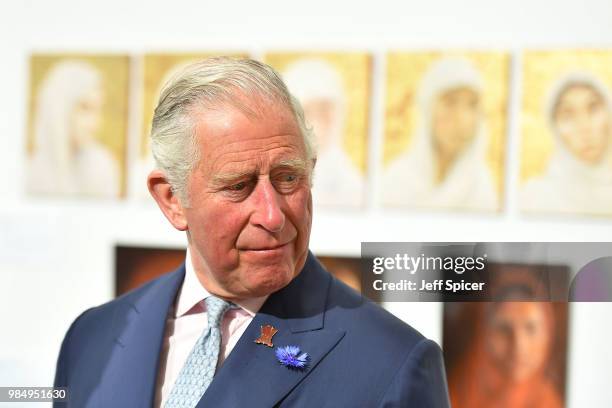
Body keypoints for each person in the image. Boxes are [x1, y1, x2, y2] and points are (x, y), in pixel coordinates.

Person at [53, 57, 450, 407]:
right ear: (172, 199)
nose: (273, 215)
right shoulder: (93, 335)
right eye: (238, 186)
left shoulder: (392, 364)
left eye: (288, 177)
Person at [382, 57, 498, 211]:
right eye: (450, 103)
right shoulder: (395, 181)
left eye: (472, 105)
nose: (462, 119)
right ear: (428, 111)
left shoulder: (481, 186)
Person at [520, 72, 612, 216]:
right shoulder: (535, 198)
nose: (584, 127)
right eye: (567, 115)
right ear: (554, 128)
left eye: (593, 108)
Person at [26, 60, 121, 197]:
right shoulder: (29, 172)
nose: (95, 123)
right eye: (85, 108)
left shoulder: (103, 166)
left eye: (98, 110)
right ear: (59, 109)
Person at [282, 58, 365, 208]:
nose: (324, 121)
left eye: (327, 110)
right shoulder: (278, 182)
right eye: (313, 111)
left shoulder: (354, 183)